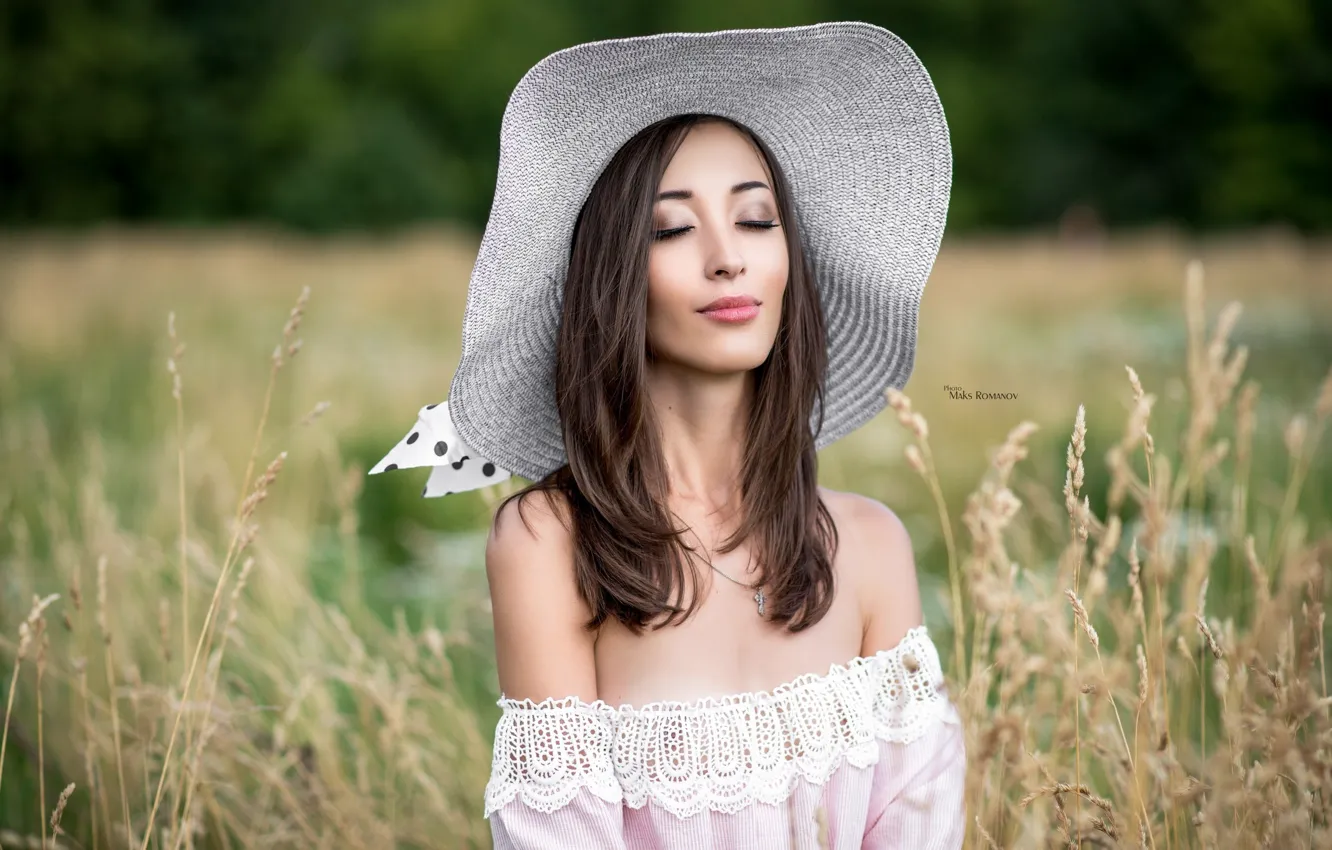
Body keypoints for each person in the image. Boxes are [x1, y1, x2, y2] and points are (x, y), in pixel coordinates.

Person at [369, 21, 966, 849]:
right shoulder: (550, 543)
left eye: (757, 220)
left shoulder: (869, 545)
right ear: (613, 275)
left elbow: (920, 829)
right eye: (671, 228)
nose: (728, 259)